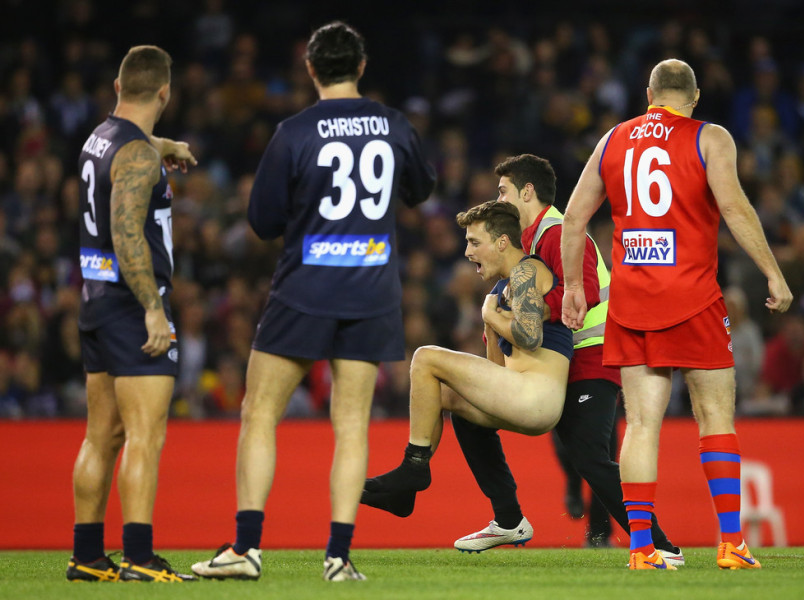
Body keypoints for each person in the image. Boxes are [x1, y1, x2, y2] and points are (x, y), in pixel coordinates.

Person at [190, 21, 436, 583]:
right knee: (351, 424)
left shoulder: (295, 132)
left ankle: (246, 548)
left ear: (310, 69)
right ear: (362, 66)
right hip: (372, 290)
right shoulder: (394, 125)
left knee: (259, 411)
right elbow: (421, 190)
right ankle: (338, 557)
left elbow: (260, 221)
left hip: (305, 289)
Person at [560, 58, 792, 570]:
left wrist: (574, 287)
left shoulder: (612, 140)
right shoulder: (711, 138)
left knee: (642, 425)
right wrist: (773, 272)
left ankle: (642, 548)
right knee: (716, 417)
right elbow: (734, 208)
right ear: (695, 96)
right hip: (693, 299)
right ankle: (731, 543)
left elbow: (574, 217)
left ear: (649, 94)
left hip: (631, 303)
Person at [448, 155, 680, 564]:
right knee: (481, 418)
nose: (498, 199)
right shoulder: (534, 241)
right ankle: (509, 516)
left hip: (591, 356)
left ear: (527, 192)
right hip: (564, 359)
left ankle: (657, 544)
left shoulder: (559, 232)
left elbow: (584, 290)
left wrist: (524, 313)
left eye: (503, 191)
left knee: (589, 456)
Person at [67, 45, 198, 583]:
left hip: (95, 300)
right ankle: (139, 559)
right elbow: (127, 236)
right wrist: (152, 309)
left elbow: (137, 148)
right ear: (165, 92)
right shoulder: (138, 156)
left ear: (119, 87)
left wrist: (166, 146)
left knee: (101, 436)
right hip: (131, 306)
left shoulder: (99, 138)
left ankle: (87, 557)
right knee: (146, 436)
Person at [360, 200, 573, 517]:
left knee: (425, 357)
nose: (467, 252)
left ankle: (413, 467)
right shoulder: (501, 289)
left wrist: (490, 315)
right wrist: (491, 322)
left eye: (474, 242)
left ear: (502, 242)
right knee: (447, 395)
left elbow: (530, 335)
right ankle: (497, 511)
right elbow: (496, 370)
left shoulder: (526, 270)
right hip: (524, 397)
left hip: (538, 397)